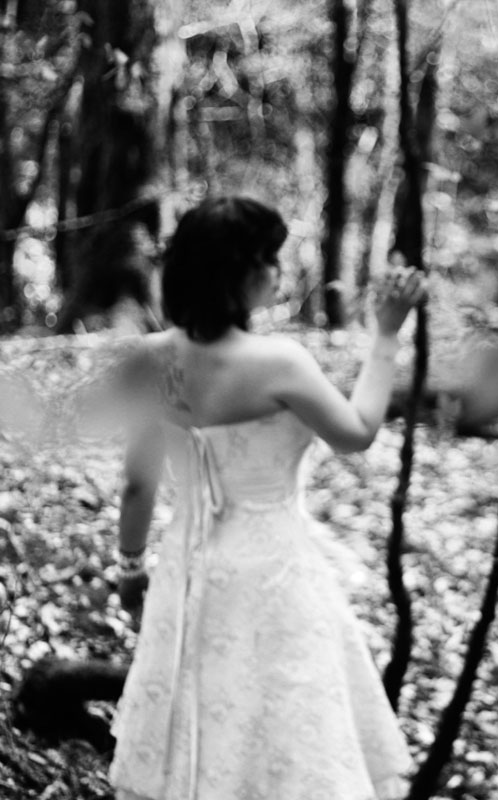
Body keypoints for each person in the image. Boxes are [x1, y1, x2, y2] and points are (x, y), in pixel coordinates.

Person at [107, 195, 425, 800]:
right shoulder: (279, 363)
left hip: (186, 572)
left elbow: (137, 484)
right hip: (273, 573)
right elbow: (358, 432)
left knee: (196, 718)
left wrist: (130, 566)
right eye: (269, 258)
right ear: (237, 272)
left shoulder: (149, 360)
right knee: (283, 727)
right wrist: (386, 334)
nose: (278, 271)